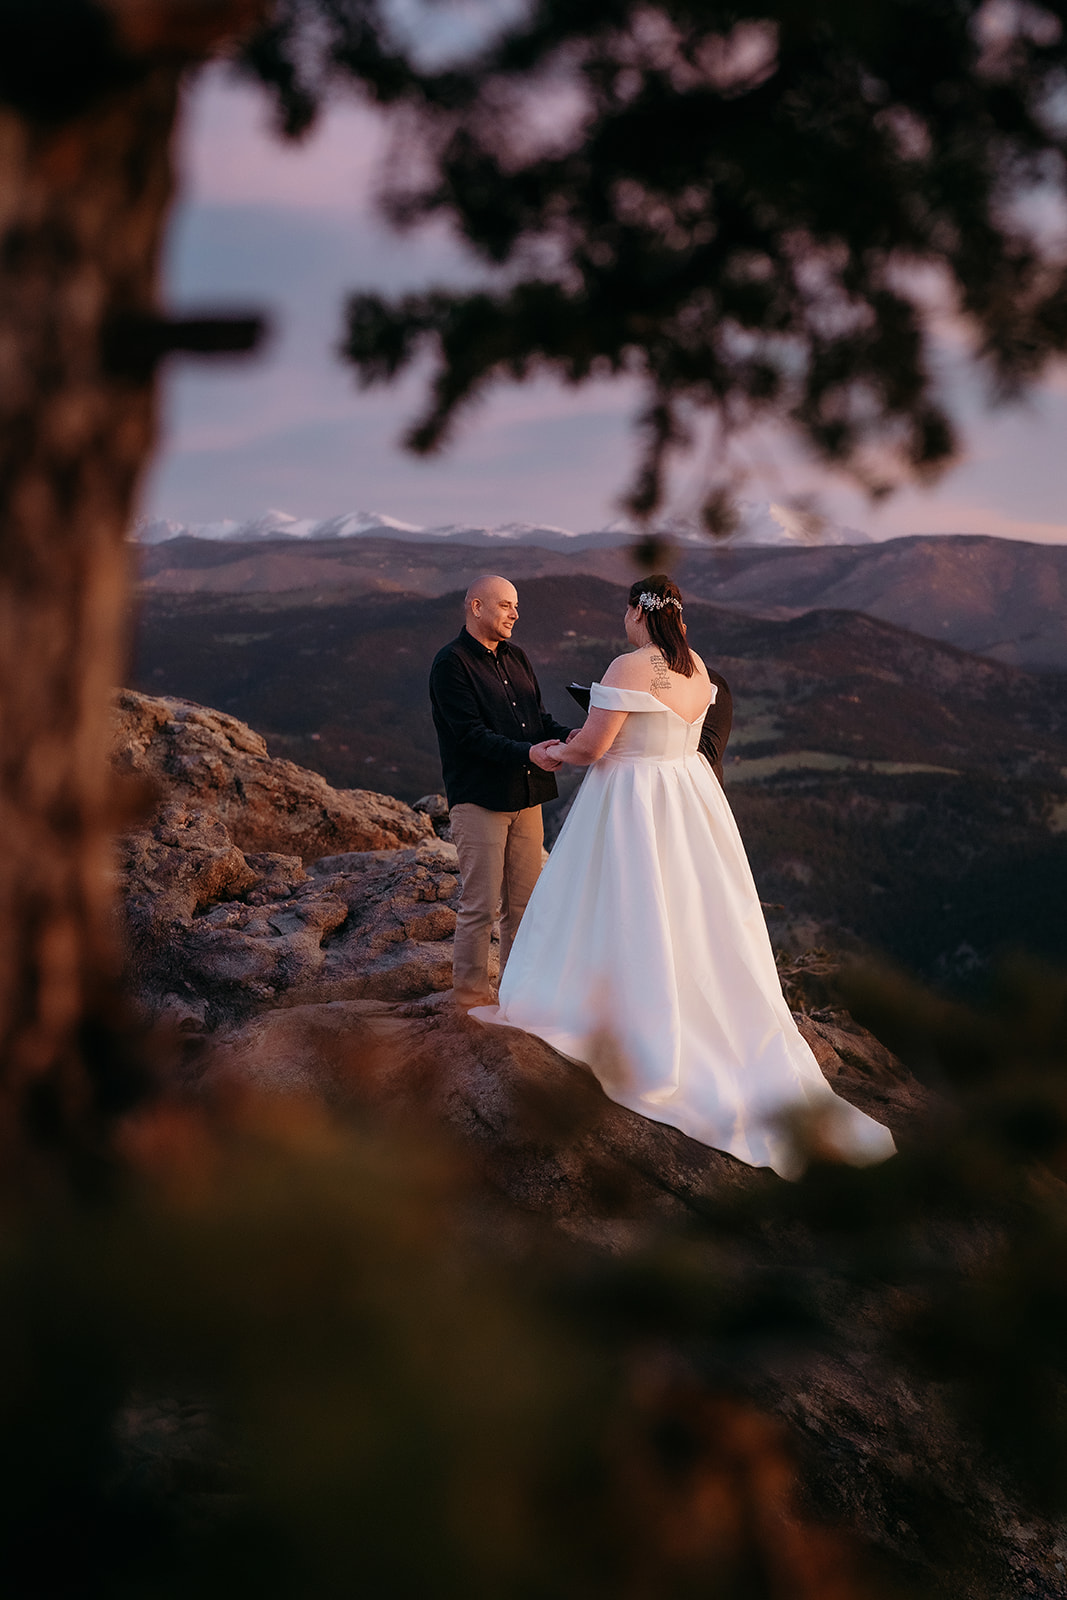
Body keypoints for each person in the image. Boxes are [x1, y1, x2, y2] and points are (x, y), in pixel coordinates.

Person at [471, 574, 895, 1179]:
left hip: (633, 800)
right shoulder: (697, 667)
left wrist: (550, 751)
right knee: (687, 910)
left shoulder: (626, 666)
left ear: (634, 613)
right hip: (689, 797)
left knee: (616, 903)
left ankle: (615, 1012)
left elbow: (595, 748)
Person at [429, 574, 573, 1009]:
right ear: (476, 607)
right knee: (480, 907)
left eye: (516, 606)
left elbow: (538, 720)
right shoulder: (451, 664)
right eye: (506, 605)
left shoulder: (517, 657)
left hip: (526, 798)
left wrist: (576, 737)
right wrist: (531, 753)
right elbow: (470, 736)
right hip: (480, 801)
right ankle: (469, 1001)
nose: (515, 613)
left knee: (525, 908)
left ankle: (516, 995)